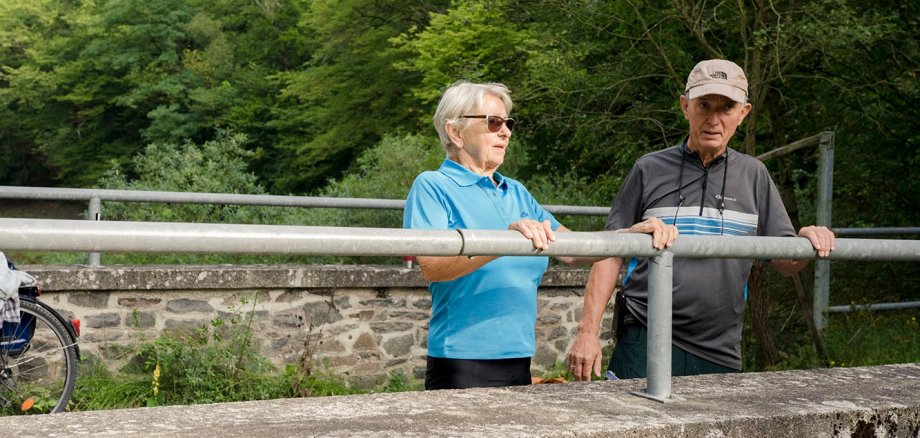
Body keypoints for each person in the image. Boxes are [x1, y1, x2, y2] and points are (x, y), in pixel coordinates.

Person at [566, 59, 836, 381]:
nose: (714, 119)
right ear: (685, 107)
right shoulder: (648, 169)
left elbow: (783, 259)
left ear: (744, 112)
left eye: (726, 107)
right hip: (644, 333)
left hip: (719, 347)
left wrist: (806, 241)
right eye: (704, 105)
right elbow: (610, 251)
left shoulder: (755, 176)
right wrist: (587, 331)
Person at [403, 80, 579, 390]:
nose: (506, 131)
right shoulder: (432, 185)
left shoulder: (518, 193)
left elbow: (575, 251)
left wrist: (631, 233)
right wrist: (504, 241)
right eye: (493, 122)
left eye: (508, 123)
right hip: (461, 360)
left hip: (520, 357)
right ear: (455, 132)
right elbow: (431, 266)